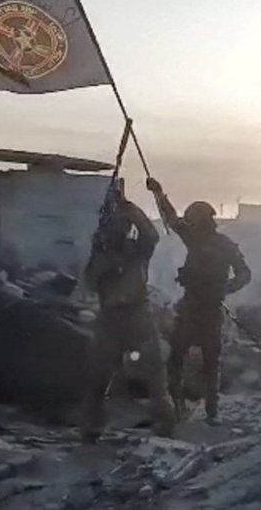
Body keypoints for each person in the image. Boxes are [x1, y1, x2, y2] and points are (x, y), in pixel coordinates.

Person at [146, 177, 251, 424]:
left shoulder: (223, 245)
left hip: (210, 310)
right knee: (177, 359)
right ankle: (179, 405)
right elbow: (171, 219)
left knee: (210, 363)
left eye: (194, 221)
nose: (191, 225)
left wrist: (226, 288)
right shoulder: (196, 239)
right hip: (191, 306)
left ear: (203, 221)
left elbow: (244, 273)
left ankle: (211, 410)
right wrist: (159, 193)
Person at [80, 179, 176, 441]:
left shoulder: (136, 251)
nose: (117, 233)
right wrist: (105, 258)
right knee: (98, 378)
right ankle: (91, 429)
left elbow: (151, 235)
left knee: (156, 376)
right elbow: (89, 281)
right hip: (111, 319)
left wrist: (131, 209)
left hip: (137, 314)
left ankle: (165, 425)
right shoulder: (99, 257)